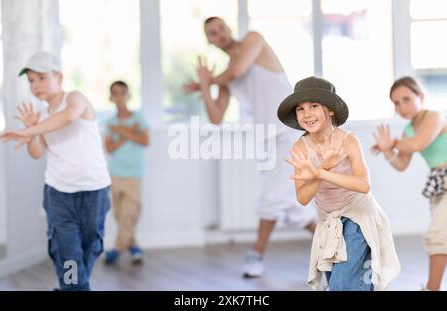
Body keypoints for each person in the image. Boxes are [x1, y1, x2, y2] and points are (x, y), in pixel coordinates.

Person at [184, 16, 317, 278]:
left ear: (229, 28)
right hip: (267, 139)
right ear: (209, 40)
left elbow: (237, 71)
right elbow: (216, 117)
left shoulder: (253, 40)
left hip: (289, 131)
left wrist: (207, 82)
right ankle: (344, 248)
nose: (219, 34)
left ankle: (256, 254)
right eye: (212, 33)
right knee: (293, 209)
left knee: (271, 197)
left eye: (221, 28)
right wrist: (206, 85)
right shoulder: (223, 77)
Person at [0, 51, 111, 290]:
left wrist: (30, 130)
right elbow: (37, 152)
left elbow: (69, 117)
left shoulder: (75, 99)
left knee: (90, 246)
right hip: (59, 193)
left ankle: (71, 286)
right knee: (68, 253)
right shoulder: (40, 116)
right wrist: (34, 130)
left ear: (58, 76)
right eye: (31, 80)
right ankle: (73, 287)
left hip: (95, 191)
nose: (35, 85)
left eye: (41, 78)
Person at [278, 76, 400, 290]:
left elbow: (363, 185)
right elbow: (303, 198)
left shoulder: (348, 141)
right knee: (337, 281)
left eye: (314, 106)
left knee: (341, 285)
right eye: (300, 109)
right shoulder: (300, 148)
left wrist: (321, 173)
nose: (306, 114)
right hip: (328, 222)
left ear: (330, 110)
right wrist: (323, 169)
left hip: (357, 218)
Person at [371, 76, 447, 291]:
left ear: (421, 96)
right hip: (440, 184)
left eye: (406, 99)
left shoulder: (435, 117)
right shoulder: (409, 130)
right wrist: (387, 151)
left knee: (437, 235)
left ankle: (432, 289)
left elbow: (418, 143)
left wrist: (392, 143)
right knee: (442, 236)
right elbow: (401, 164)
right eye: (396, 103)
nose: (402, 107)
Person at [103, 80, 149, 265]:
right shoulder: (110, 122)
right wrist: (128, 132)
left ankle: (118, 248)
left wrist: (120, 131)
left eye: (123, 92)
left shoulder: (139, 118)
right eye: (116, 93)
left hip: (134, 174)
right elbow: (109, 148)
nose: (120, 96)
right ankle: (134, 246)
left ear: (128, 95)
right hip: (115, 173)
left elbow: (145, 140)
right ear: (111, 97)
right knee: (120, 214)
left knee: (130, 213)